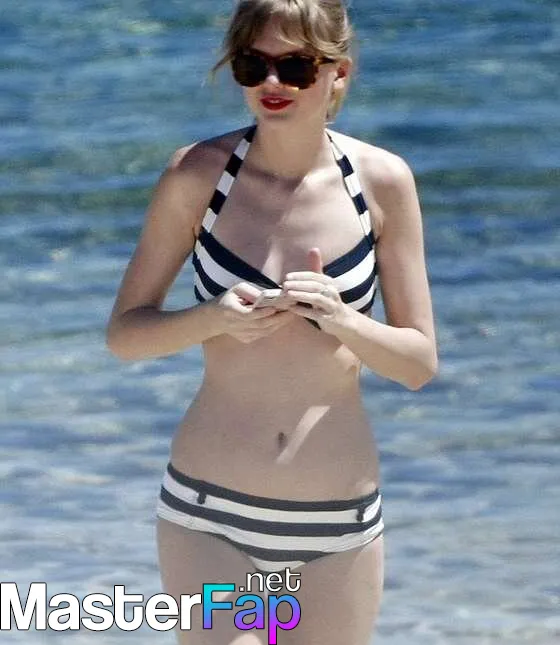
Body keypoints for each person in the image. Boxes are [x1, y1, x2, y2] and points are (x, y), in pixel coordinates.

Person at [106, 0, 437, 643]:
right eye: (252, 65)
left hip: (337, 525)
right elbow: (125, 335)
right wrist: (211, 318)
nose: (273, 83)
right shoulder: (197, 175)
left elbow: (418, 364)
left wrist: (342, 320)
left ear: (339, 72)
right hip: (209, 513)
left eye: (297, 66)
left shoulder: (382, 182)